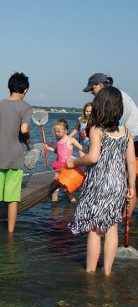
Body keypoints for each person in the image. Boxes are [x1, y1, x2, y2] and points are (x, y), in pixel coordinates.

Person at [66, 87, 136, 276]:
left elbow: (93, 157)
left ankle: (89, 271)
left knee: (95, 229)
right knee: (112, 227)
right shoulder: (125, 132)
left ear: (100, 106)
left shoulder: (97, 129)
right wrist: (132, 186)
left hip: (99, 183)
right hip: (118, 184)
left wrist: (74, 161)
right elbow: (130, 161)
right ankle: (107, 272)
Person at [83, 72, 138, 215]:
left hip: (134, 137)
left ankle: (125, 217)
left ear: (100, 85)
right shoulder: (115, 94)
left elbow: (111, 125)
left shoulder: (115, 98)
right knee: (126, 178)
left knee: (126, 179)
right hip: (129, 136)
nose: (91, 93)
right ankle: (118, 216)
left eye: (92, 89)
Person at [0, 72, 32, 236]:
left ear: (8, 87)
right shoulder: (26, 107)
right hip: (15, 157)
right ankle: (10, 235)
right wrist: (27, 138)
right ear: (25, 90)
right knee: (12, 199)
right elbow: (24, 129)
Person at [46, 119, 83, 202]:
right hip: (58, 166)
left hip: (67, 167)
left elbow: (81, 148)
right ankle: (54, 209)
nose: (56, 133)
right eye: (55, 131)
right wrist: (49, 149)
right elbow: (58, 151)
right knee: (54, 190)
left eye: (58, 131)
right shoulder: (58, 141)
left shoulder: (70, 139)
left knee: (67, 189)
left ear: (66, 131)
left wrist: (89, 154)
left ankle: (74, 204)